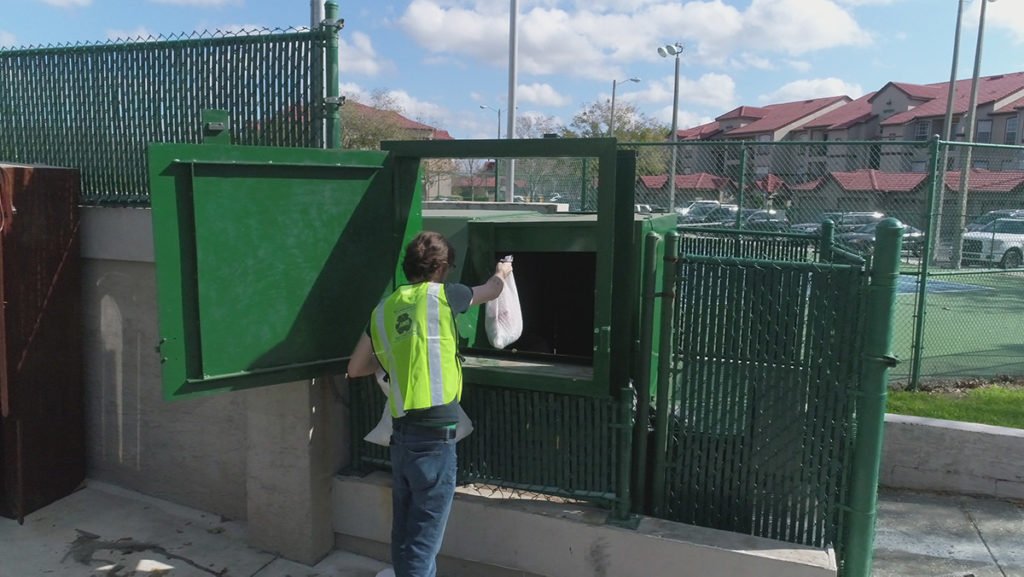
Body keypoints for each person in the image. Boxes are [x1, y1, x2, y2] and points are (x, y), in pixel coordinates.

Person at [347, 231, 513, 577]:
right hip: (436, 441)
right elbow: (493, 292)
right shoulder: (443, 295)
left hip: (401, 439)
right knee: (424, 540)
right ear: (440, 268)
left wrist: (400, 356)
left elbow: (356, 368)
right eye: (449, 267)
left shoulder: (383, 309)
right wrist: (502, 273)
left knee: (405, 532)